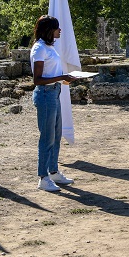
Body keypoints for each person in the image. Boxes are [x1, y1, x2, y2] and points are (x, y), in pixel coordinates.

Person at [30, 15, 77, 192]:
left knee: (56, 135)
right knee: (47, 137)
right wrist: (62, 77)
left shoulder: (49, 47)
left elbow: (51, 72)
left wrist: (63, 79)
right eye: (57, 27)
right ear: (49, 30)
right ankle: (43, 177)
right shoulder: (39, 49)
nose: (60, 30)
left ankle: (54, 170)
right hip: (45, 95)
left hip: (54, 92)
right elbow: (37, 79)